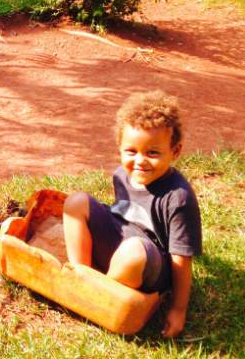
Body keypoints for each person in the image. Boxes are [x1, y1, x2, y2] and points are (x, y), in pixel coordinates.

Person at [62, 91, 202, 337]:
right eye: (131, 151)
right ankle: (81, 277)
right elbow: (121, 216)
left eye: (153, 153)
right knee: (76, 202)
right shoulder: (121, 175)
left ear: (175, 151)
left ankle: (100, 296)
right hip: (121, 243)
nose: (140, 161)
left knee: (133, 250)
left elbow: (181, 259)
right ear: (120, 147)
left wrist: (178, 309)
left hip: (147, 262)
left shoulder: (178, 198)